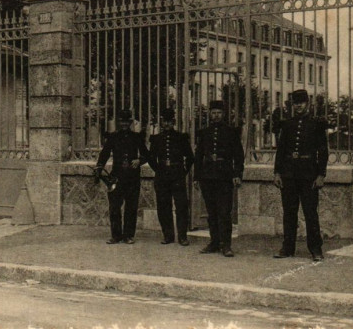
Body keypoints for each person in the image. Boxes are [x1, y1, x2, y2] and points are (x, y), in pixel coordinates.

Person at [273, 89, 328, 262]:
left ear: (308, 104)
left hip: (309, 175)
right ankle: (288, 247)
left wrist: (321, 174)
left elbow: (323, 151)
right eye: (295, 103)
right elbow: (281, 150)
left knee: (310, 213)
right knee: (289, 212)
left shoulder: (316, 125)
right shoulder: (287, 125)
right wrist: (277, 172)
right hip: (289, 174)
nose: (298, 106)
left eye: (301, 102)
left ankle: (316, 249)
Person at [194, 100, 244, 257]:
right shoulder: (204, 133)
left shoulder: (231, 132)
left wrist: (237, 174)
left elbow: (239, 155)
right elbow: (198, 156)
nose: (216, 116)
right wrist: (196, 177)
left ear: (224, 114)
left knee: (224, 211)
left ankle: (226, 245)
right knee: (212, 212)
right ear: (210, 114)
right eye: (213, 112)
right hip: (207, 176)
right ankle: (214, 242)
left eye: (219, 113)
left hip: (224, 176)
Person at [96, 109, 149, 244]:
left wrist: (139, 161)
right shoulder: (113, 137)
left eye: (127, 122)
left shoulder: (137, 137)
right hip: (117, 177)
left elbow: (146, 155)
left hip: (132, 177)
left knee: (131, 207)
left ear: (130, 123)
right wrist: (99, 167)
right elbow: (104, 154)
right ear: (119, 123)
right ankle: (116, 235)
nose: (124, 124)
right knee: (114, 207)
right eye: (122, 122)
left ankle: (128, 235)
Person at [147, 108, 194, 246]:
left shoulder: (181, 138)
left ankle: (182, 236)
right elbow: (151, 158)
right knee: (163, 206)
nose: (166, 124)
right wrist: (158, 170)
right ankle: (168, 235)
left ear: (173, 122)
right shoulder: (157, 139)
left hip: (177, 175)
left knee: (181, 206)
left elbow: (190, 157)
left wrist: (183, 171)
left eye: (169, 122)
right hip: (162, 176)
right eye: (164, 122)